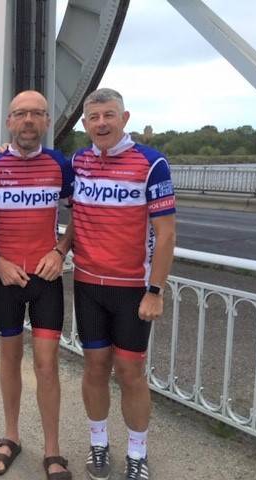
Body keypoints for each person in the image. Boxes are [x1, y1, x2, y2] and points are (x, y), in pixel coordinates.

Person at [67, 88, 176, 480]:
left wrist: (155, 290)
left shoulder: (151, 163)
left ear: (124, 118)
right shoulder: (77, 161)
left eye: (109, 115)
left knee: (129, 373)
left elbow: (166, 234)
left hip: (132, 288)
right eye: (94, 117)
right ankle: (99, 445)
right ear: (85, 124)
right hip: (88, 283)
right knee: (95, 367)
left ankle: (137, 453)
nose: (101, 123)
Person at [0, 90, 74, 480]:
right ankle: (11, 436)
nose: (29, 121)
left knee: (46, 365)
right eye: (21, 114)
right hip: (6, 277)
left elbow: (81, 216)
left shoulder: (61, 165)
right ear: (9, 121)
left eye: (37, 114)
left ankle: (52, 450)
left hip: (46, 278)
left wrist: (60, 250)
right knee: (9, 360)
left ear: (47, 121)